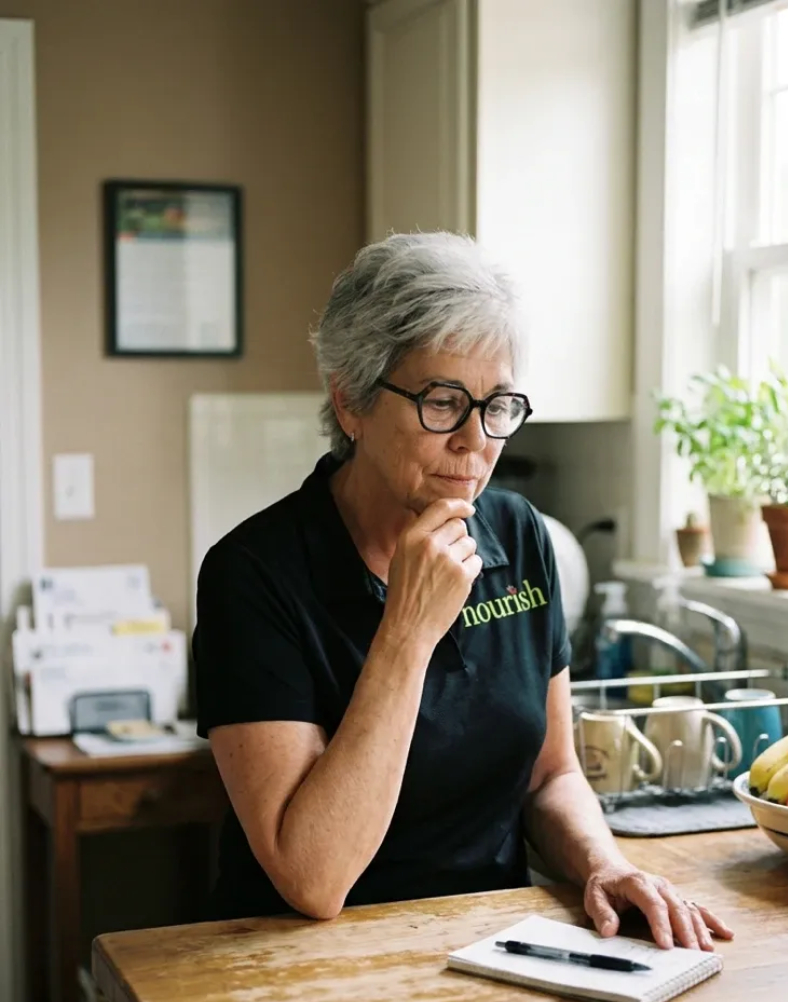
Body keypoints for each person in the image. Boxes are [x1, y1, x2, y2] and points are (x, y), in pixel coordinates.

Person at [193, 231, 733, 951]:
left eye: (498, 404)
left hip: (493, 945)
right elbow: (313, 878)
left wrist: (603, 863)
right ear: (350, 400)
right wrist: (407, 631)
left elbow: (551, 774)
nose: (476, 440)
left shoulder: (519, 534)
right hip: (301, 963)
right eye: (443, 401)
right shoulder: (252, 575)